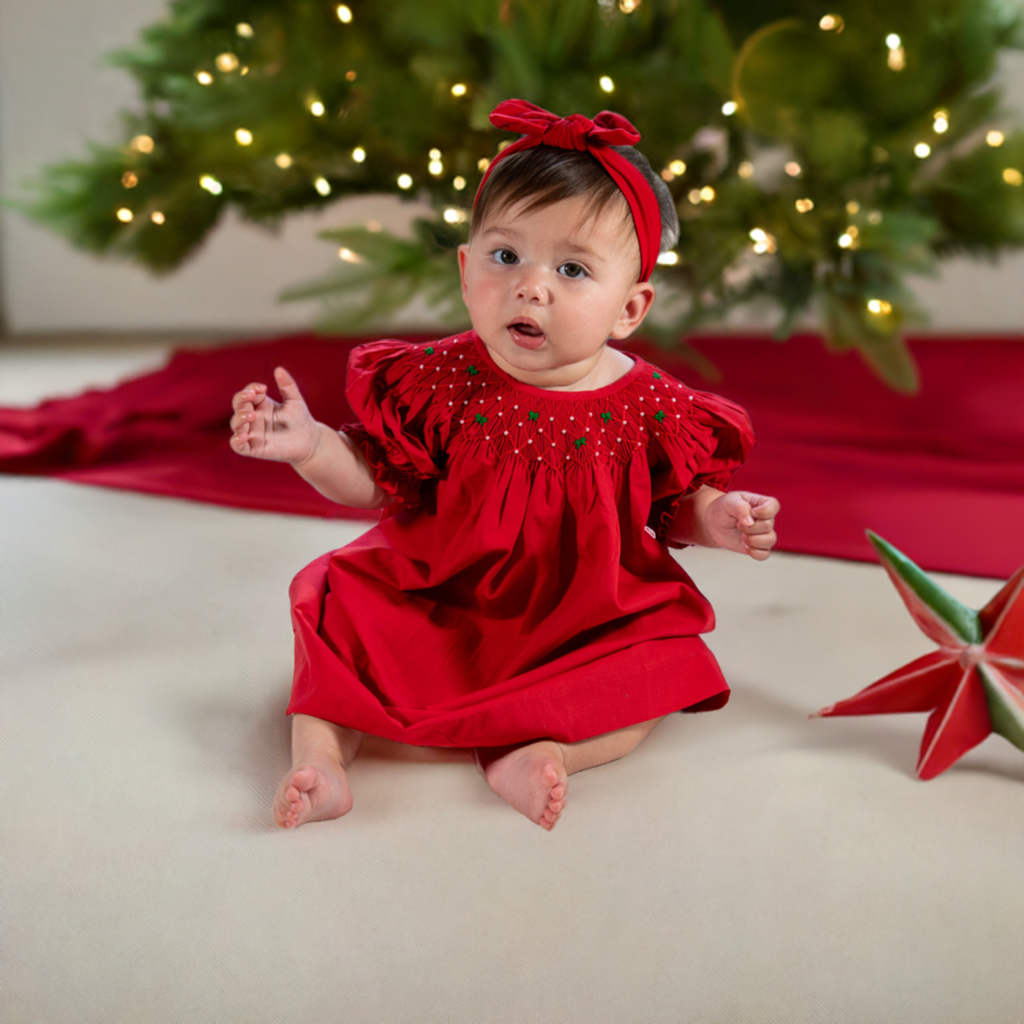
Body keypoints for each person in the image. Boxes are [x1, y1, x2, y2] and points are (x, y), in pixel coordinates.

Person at [230, 99, 779, 831]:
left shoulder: (651, 406)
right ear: (466, 271)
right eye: (505, 256)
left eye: (573, 269)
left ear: (630, 308)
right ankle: (323, 760)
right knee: (333, 603)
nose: (531, 285)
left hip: (585, 614)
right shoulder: (442, 379)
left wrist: (717, 518)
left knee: (670, 661)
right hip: (445, 597)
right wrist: (312, 446)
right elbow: (376, 481)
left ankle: (544, 751)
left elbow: (671, 505)